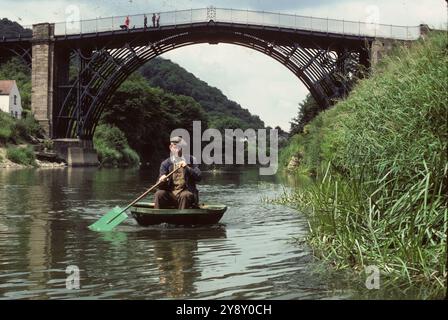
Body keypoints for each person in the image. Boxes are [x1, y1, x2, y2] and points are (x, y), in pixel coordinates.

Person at [154, 136, 201, 209]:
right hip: (170, 194)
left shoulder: (191, 160)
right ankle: (156, 217)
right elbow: (159, 186)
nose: (177, 151)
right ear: (170, 147)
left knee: (185, 195)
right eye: (175, 148)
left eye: (179, 148)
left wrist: (187, 167)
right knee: (159, 194)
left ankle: (181, 218)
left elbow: (199, 177)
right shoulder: (165, 163)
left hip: (185, 194)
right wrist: (162, 181)